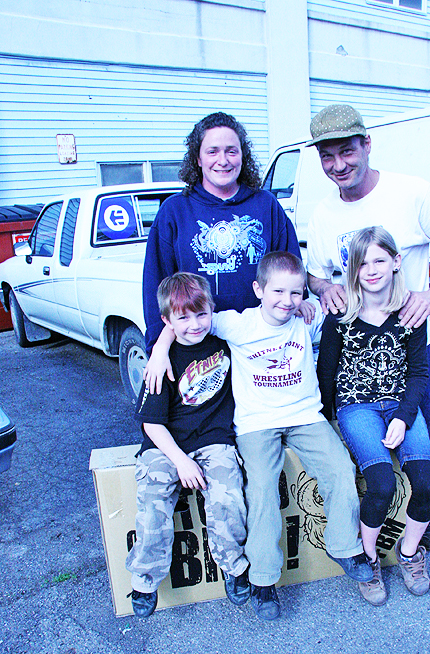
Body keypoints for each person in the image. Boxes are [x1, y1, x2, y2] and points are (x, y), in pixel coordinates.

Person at [150, 251, 374, 620]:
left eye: (296, 293)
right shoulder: (238, 324)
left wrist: (321, 297)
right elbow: (187, 318)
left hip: (305, 415)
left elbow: (351, 303)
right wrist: (160, 349)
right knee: (262, 489)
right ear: (258, 289)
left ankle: (343, 546)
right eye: (278, 292)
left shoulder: (307, 316)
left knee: (339, 468)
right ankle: (264, 580)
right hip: (257, 423)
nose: (287, 302)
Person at [306, 104, 430, 550]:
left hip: (407, 346)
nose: (338, 165)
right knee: (369, 447)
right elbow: (314, 271)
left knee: (417, 434)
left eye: (347, 151)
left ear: (366, 144)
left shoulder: (411, 192)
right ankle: (378, 510)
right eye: (328, 156)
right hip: (356, 357)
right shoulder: (324, 213)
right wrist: (324, 287)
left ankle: (425, 515)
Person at [317, 226, 430, 606]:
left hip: (402, 405)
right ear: (352, 270)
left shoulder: (411, 313)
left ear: (396, 262)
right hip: (358, 408)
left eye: (379, 260)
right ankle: (368, 560)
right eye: (362, 263)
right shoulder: (341, 317)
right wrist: (324, 421)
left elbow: (419, 372)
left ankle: (409, 552)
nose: (371, 269)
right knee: (382, 484)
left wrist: (404, 417)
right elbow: (326, 371)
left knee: (427, 485)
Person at [126, 272, 249, 618]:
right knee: (153, 498)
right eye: (182, 318)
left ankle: (233, 566)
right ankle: (145, 578)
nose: (194, 325)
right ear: (167, 321)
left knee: (228, 495)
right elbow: (151, 422)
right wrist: (180, 461)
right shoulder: (160, 360)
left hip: (213, 438)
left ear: (212, 309)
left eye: (201, 314)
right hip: (165, 442)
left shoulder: (225, 341)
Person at [142, 111, 301, 363]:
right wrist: (158, 348)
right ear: (197, 158)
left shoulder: (266, 206)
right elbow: (156, 285)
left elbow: (292, 272)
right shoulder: (174, 211)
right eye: (212, 151)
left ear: (242, 155)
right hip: (196, 347)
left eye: (231, 151)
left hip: (260, 346)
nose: (223, 160)